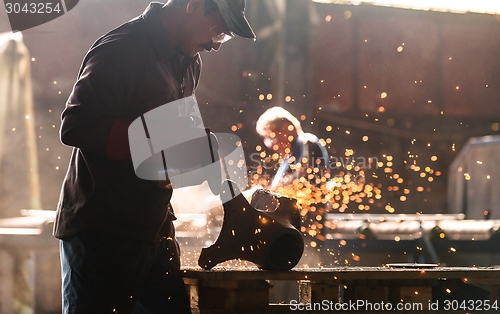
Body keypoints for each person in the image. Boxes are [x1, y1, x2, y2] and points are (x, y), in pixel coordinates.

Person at [54, 0, 255, 313]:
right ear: (194, 5)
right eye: (219, 30)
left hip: (155, 227)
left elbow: (169, 137)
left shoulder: (189, 62)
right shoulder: (124, 48)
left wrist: (197, 151)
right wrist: (165, 141)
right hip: (102, 232)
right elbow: (78, 126)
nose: (215, 46)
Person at [255, 106, 329, 190]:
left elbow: (303, 176)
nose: (269, 143)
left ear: (286, 128)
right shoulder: (289, 159)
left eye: (271, 136)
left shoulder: (306, 141)